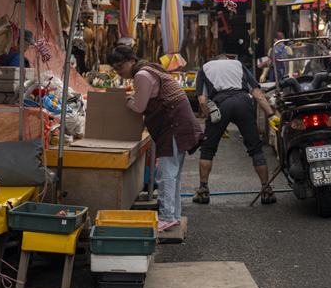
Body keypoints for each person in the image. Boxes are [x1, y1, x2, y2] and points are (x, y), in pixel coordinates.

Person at [108, 45, 204, 232]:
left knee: (166, 172)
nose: (119, 71)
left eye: (120, 66)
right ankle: (173, 215)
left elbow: (139, 106)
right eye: (115, 68)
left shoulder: (142, 75)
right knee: (172, 173)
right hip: (178, 122)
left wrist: (127, 101)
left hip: (173, 123)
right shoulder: (148, 71)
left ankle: (167, 216)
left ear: (132, 61)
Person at [194, 55, 280, 205]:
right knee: (255, 149)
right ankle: (266, 190)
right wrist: (271, 115)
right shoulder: (238, 64)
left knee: (207, 150)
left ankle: (203, 191)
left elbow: (202, 101)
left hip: (220, 104)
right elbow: (258, 95)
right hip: (242, 102)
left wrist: (212, 120)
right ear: (227, 60)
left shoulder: (205, 68)